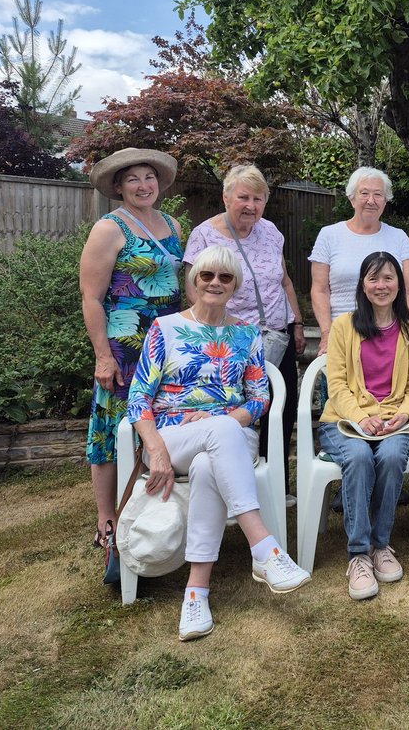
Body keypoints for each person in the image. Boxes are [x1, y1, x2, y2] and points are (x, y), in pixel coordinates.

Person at [126, 246, 310, 641]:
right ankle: (264, 548)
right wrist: (155, 449)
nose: (215, 283)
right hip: (173, 436)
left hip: (231, 436)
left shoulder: (246, 334)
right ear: (194, 281)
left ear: (234, 286)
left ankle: (196, 593)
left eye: (225, 277)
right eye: (207, 275)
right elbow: (138, 398)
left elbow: (259, 398)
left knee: (211, 459)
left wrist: (223, 421)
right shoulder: (165, 328)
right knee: (220, 432)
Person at [79, 148, 183, 560]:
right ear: (119, 187)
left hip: (166, 344)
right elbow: (91, 298)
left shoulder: (172, 225)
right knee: (112, 429)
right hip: (125, 346)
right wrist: (103, 356)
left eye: (149, 177)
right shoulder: (110, 228)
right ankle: (107, 520)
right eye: (133, 179)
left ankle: (151, 509)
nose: (144, 185)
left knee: (158, 424)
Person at [184, 164, 305, 500]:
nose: (251, 205)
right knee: (236, 408)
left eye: (258, 199)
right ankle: (233, 486)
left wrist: (296, 322)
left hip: (277, 336)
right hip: (231, 340)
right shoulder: (204, 236)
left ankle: (276, 485)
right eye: (243, 197)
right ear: (226, 197)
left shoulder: (271, 232)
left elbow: (284, 281)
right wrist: (214, 332)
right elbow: (195, 289)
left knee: (281, 408)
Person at [317, 252, 409, 600]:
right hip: (344, 421)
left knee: (392, 456)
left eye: (389, 278)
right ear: (362, 285)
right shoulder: (343, 327)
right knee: (360, 456)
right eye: (374, 278)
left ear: (399, 285)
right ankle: (358, 554)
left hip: (394, 421)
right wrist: (361, 418)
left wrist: (404, 415)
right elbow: (337, 385)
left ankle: (381, 545)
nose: (381, 285)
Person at [310, 167, 409, 357]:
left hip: (389, 338)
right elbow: (320, 290)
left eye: (378, 194)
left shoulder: (399, 237)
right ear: (352, 198)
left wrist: (405, 329)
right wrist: (327, 334)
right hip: (342, 336)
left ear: (385, 201)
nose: (371, 200)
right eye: (364, 193)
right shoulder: (329, 235)